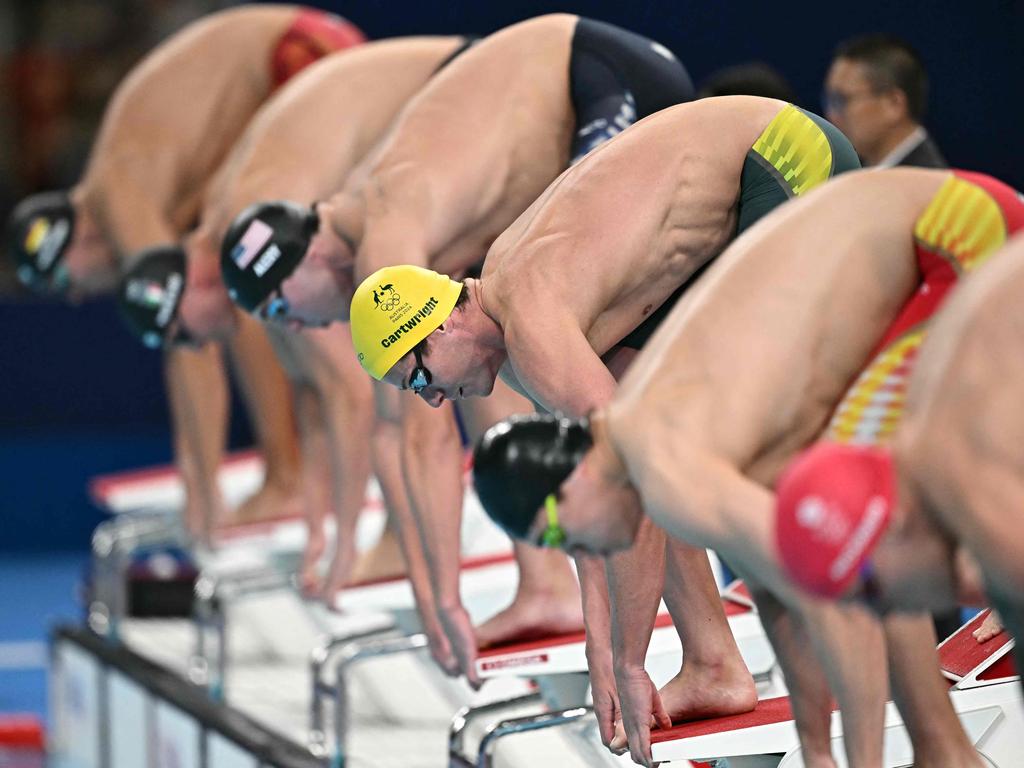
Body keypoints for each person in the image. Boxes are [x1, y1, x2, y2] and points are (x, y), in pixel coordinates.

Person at [352, 94, 860, 764]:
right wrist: (603, 651)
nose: (434, 401)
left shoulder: (532, 328)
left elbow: (632, 483)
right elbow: (595, 512)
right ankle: (714, 662)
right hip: (740, 186)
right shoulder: (516, 319)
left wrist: (630, 659)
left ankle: (847, 635)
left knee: (730, 448)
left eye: (418, 379)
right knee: (645, 425)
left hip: (786, 159)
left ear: (438, 324)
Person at [467, 167, 1023, 767]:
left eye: (560, 536)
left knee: (895, 520)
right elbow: (782, 599)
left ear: (571, 484)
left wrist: (855, 759)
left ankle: (947, 738)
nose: (587, 555)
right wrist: (815, 748)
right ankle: (943, 748)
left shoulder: (668, 468)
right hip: (914, 235)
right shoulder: (647, 442)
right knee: (867, 522)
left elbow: (837, 592)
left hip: (951, 231)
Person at [220, 14, 697, 688]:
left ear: (302, 259)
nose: (289, 324)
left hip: (601, 75)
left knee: (605, 389)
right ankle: (551, 585)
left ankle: (675, 638)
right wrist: (422, 585)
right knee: (491, 358)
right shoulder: (371, 222)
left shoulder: (384, 245)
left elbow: (423, 441)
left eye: (277, 306)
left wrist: (440, 600)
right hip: (553, 86)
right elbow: (397, 432)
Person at [117, 36, 469, 624]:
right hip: (427, 85)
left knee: (410, 361)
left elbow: (351, 394)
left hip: (456, 85)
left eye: (190, 336)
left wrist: (348, 542)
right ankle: (394, 539)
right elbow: (311, 391)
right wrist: (320, 530)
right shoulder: (240, 244)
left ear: (194, 290)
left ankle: (409, 547)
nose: (203, 347)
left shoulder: (265, 257)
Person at [5, 5, 365, 541]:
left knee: (243, 292)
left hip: (298, 56)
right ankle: (307, 464)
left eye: (63, 282)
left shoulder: (117, 193)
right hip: (304, 52)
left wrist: (202, 495)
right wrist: (196, 474)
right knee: (248, 281)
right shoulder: (138, 180)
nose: (77, 298)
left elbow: (188, 342)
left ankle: (291, 474)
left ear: (73, 240)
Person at [775, 232, 1024, 686]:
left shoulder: (982, 483)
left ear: (893, 524)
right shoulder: (924, 437)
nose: (883, 610)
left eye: (871, 588)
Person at [824, 35, 946, 168]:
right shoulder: (857, 173)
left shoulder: (926, 184)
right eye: (829, 100)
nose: (832, 115)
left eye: (841, 100)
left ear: (894, 104)